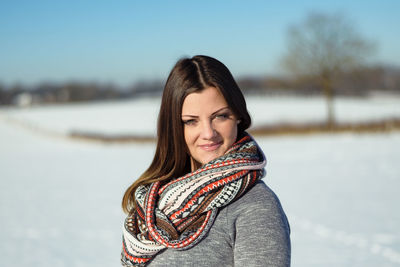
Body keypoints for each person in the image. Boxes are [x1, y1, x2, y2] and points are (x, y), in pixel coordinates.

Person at [121, 55, 291, 266]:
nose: (208, 133)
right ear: (174, 127)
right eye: (191, 121)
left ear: (237, 116)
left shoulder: (256, 206)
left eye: (220, 116)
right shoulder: (151, 206)